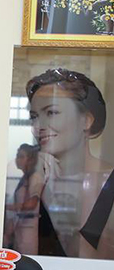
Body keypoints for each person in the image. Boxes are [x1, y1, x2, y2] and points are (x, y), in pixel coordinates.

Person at [23, 68, 114, 258]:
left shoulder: (107, 182)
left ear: (86, 120)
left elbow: (90, 262)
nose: (39, 126)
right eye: (34, 117)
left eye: (52, 112)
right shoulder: (36, 181)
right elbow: (22, 257)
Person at [4, 143, 43, 254]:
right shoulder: (25, 178)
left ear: (30, 160)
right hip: (20, 226)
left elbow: (32, 203)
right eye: (17, 156)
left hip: (28, 228)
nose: (17, 159)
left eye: (21, 156)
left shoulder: (36, 177)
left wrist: (7, 207)